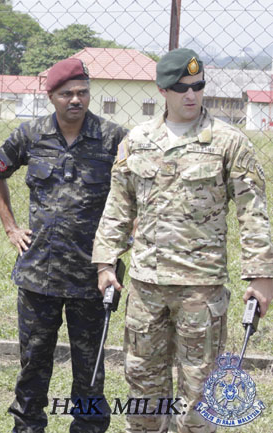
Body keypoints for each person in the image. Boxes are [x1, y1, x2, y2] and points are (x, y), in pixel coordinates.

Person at [92, 48, 273, 433]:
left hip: (201, 290)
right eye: (180, 88)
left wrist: (261, 276)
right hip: (146, 288)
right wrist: (106, 263)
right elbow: (118, 206)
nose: (191, 95)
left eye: (198, 86)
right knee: (143, 387)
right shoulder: (137, 141)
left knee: (199, 394)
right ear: (162, 90)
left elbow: (253, 212)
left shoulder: (228, 142)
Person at [0, 58, 127, 433]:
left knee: (90, 369)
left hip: (93, 276)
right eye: (66, 93)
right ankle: (28, 426)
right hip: (40, 275)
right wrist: (10, 227)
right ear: (50, 96)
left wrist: (122, 241)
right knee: (34, 363)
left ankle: (87, 428)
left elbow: (137, 190)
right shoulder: (31, 135)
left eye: (82, 92)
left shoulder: (114, 138)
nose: (75, 100)